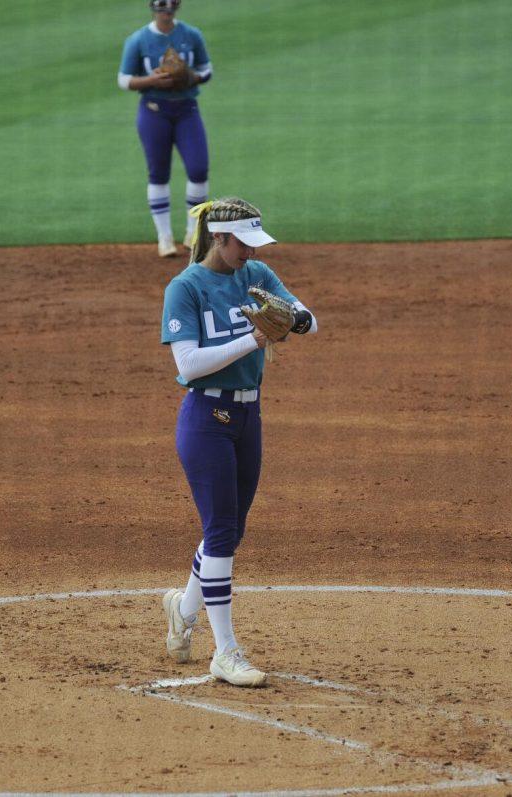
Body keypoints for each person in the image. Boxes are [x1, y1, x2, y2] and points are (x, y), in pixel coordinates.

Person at [158, 197, 318, 686]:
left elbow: (307, 316)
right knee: (222, 529)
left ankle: (183, 609)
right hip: (206, 418)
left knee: (230, 529)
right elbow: (188, 366)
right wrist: (255, 339)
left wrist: (296, 319)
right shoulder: (185, 288)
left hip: (249, 416)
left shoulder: (257, 273)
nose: (250, 252)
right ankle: (225, 652)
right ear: (219, 238)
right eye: (242, 244)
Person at [118, 0, 214, 258]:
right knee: (158, 173)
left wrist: (191, 77)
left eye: (170, 5)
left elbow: (206, 70)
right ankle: (164, 238)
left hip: (186, 110)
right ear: (153, 7)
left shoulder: (192, 35)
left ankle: (193, 233)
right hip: (153, 111)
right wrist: (153, 80)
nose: (166, 9)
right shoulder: (138, 40)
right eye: (161, 5)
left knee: (198, 168)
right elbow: (124, 80)